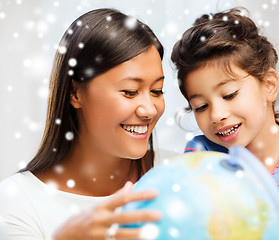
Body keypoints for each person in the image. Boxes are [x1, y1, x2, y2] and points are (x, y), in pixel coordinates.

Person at [171, 7, 279, 240]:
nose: (216, 115)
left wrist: (260, 201)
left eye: (229, 94)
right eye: (201, 106)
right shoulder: (202, 153)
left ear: (269, 85)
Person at [0, 8, 165, 240]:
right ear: (76, 93)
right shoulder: (17, 202)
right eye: (130, 92)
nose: (149, 110)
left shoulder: (181, 171)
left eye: (157, 91)